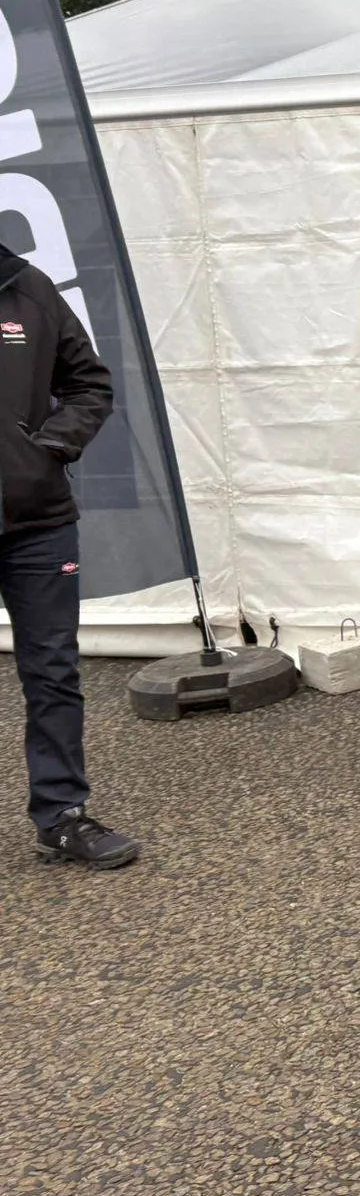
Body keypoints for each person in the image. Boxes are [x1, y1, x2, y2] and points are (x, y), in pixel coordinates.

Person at [2, 243, 135, 869]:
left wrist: (46, 448)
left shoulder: (28, 289)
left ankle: (61, 816)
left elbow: (89, 383)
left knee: (52, 671)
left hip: (37, 522)